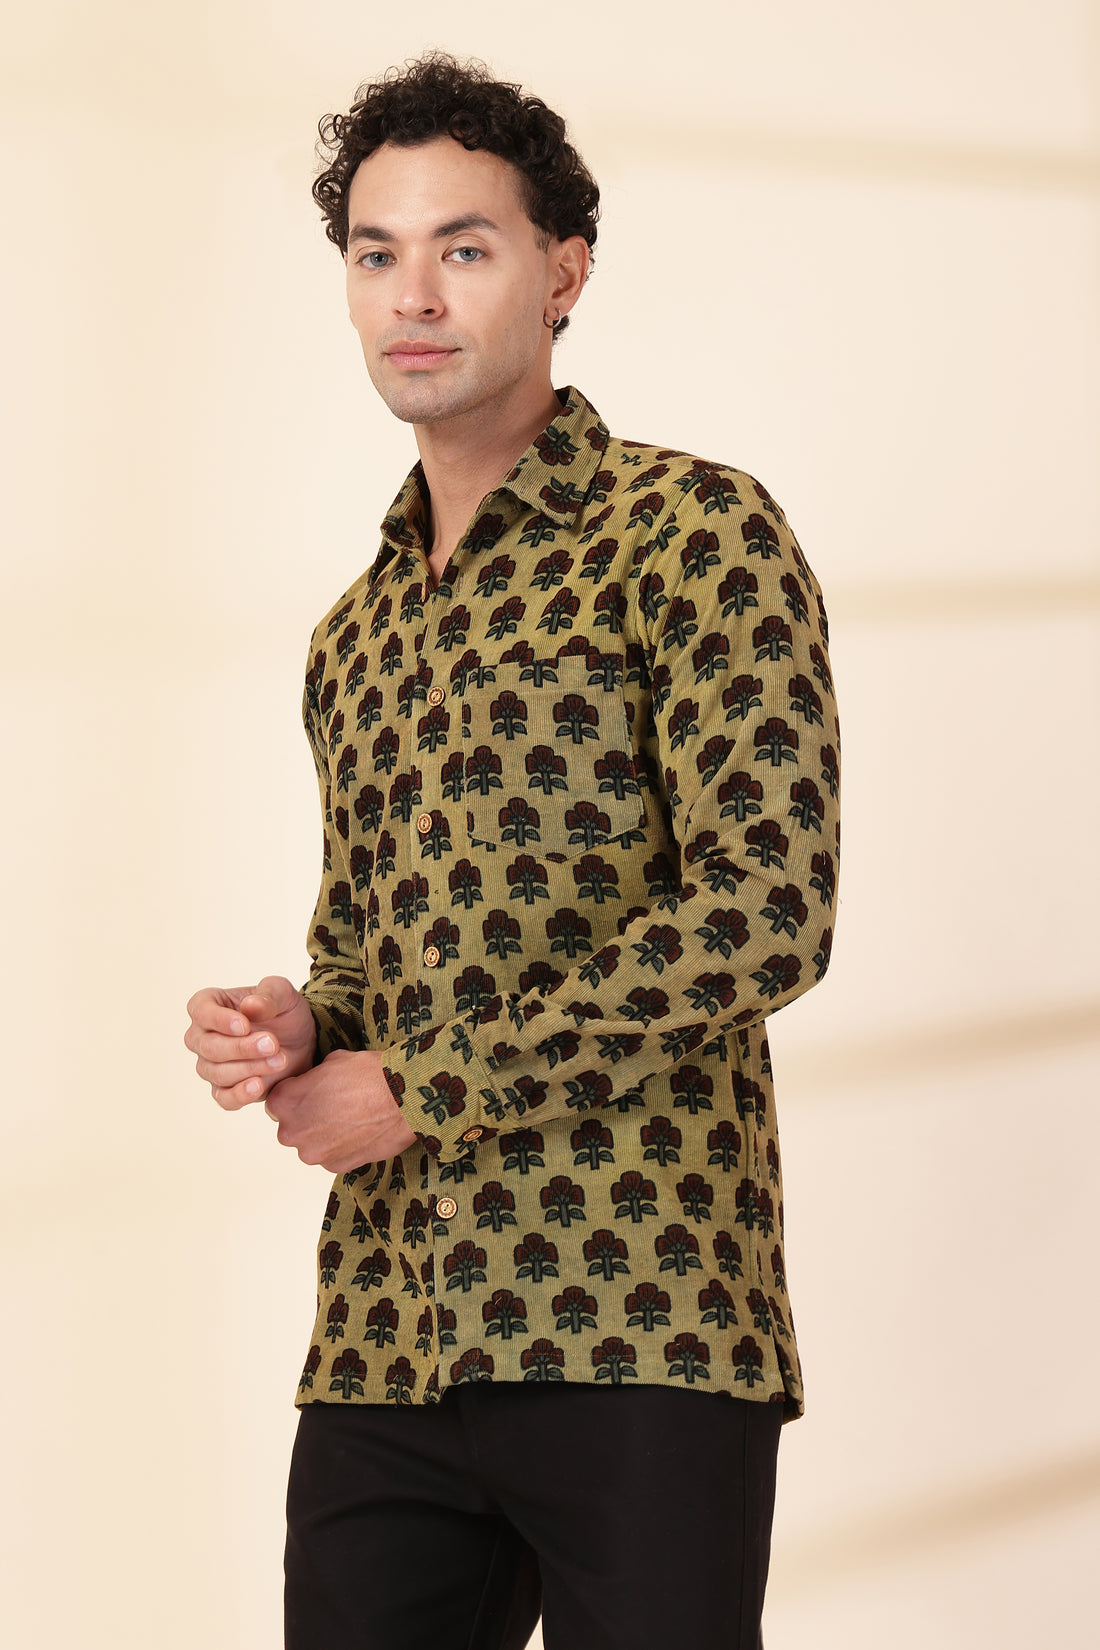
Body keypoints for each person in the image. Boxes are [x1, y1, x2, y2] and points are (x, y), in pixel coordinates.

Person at [184, 50, 840, 1650]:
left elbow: (767, 908)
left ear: (563, 274)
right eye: (377, 253)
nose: (413, 295)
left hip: (641, 1316)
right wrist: (303, 1023)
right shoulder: (354, 635)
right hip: (385, 1338)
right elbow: (368, 953)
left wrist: (422, 1084)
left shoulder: (692, 536)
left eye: (463, 247)